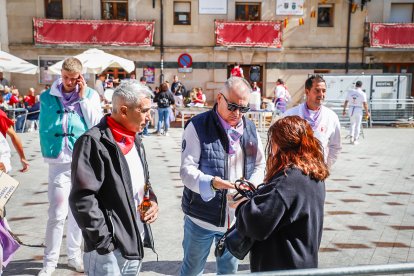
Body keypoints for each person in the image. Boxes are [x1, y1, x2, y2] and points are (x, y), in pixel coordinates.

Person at [69, 80, 159, 276]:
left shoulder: (135, 139)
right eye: (144, 111)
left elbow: (143, 182)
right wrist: (104, 243)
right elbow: (82, 199)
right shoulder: (93, 142)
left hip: (134, 242)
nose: (149, 118)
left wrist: (151, 200)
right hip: (108, 250)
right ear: (124, 111)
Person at [180, 76, 265, 275]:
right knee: (192, 270)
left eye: (243, 109)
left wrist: (249, 188)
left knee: (228, 271)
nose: (237, 113)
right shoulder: (197, 125)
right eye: (233, 106)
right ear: (219, 98)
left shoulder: (250, 128)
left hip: (236, 221)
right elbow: (186, 170)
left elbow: (260, 164)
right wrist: (211, 183)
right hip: (201, 218)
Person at [234, 116, 328, 272]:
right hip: (303, 261)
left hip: (282, 266)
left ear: (280, 145)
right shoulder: (312, 173)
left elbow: (256, 223)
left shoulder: (288, 179)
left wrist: (242, 206)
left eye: (273, 142)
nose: (271, 149)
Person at [38, 57, 102, 276]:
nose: (69, 82)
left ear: (80, 77)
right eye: (65, 77)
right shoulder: (46, 96)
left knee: (77, 213)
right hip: (58, 161)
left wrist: (83, 99)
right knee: (57, 212)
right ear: (60, 74)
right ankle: (49, 262)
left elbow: (96, 124)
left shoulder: (91, 95)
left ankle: (74, 256)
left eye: (74, 79)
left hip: (82, 160)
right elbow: (45, 125)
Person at [284, 75, 341, 168]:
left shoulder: (331, 117)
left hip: (319, 170)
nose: (321, 94)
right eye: (317, 90)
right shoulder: (290, 115)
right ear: (307, 91)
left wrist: (325, 165)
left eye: (324, 91)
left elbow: (335, 146)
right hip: (295, 170)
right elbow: (280, 145)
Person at [342, 81, 370, 145]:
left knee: (352, 124)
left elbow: (346, 101)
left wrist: (344, 110)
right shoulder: (362, 93)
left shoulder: (350, 92)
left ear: (355, 85)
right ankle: (355, 139)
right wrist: (367, 112)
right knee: (358, 125)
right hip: (358, 109)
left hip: (351, 109)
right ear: (361, 85)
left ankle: (351, 138)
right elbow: (365, 104)